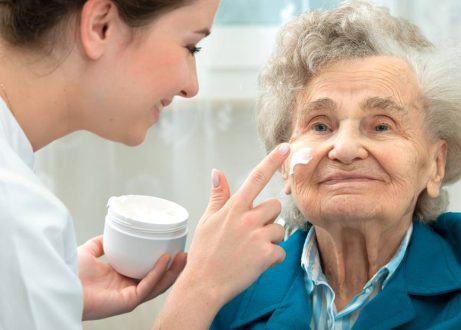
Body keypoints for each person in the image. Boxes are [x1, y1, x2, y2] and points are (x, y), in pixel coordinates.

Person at [0, 0, 289, 329]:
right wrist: (199, 290)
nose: (191, 87)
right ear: (100, 26)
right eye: (190, 46)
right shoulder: (16, 217)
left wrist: (51, 284)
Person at [212, 1, 461, 329]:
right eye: (320, 126)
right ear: (284, 163)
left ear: (435, 164)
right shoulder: (233, 286)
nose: (345, 149)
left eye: (381, 126)